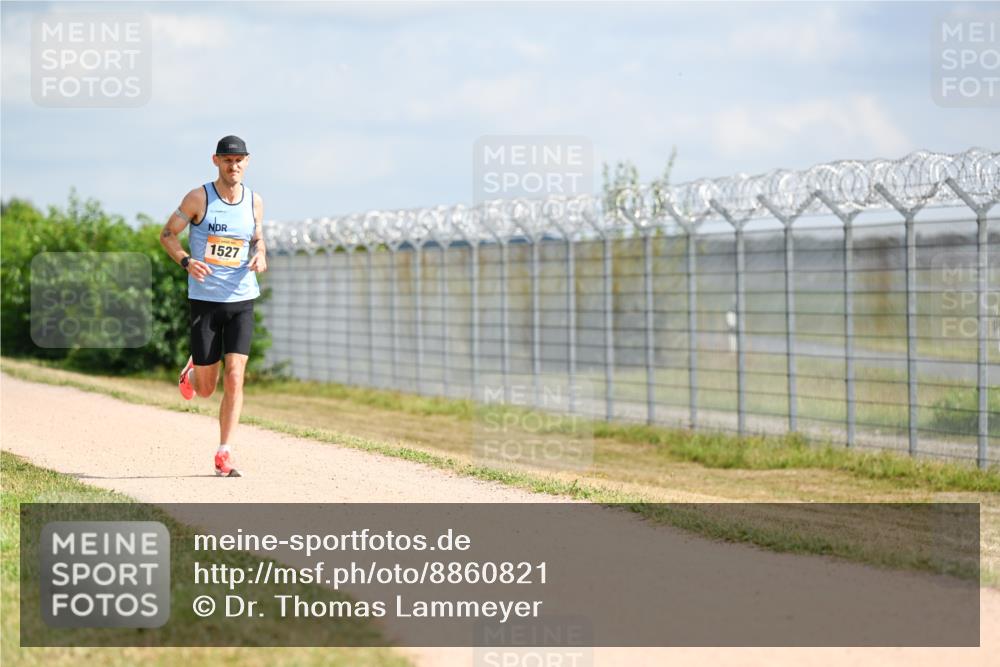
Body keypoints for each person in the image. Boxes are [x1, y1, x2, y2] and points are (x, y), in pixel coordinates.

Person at [159, 135, 267, 477]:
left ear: (247, 162)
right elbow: (167, 235)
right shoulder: (198, 198)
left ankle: (225, 452)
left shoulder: (254, 201)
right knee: (206, 389)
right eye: (226, 160)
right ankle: (192, 371)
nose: (233, 166)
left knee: (236, 377)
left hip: (242, 299)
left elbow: (256, 236)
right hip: (205, 302)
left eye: (239, 161)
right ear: (216, 161)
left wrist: (261, 251)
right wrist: (186, 261)